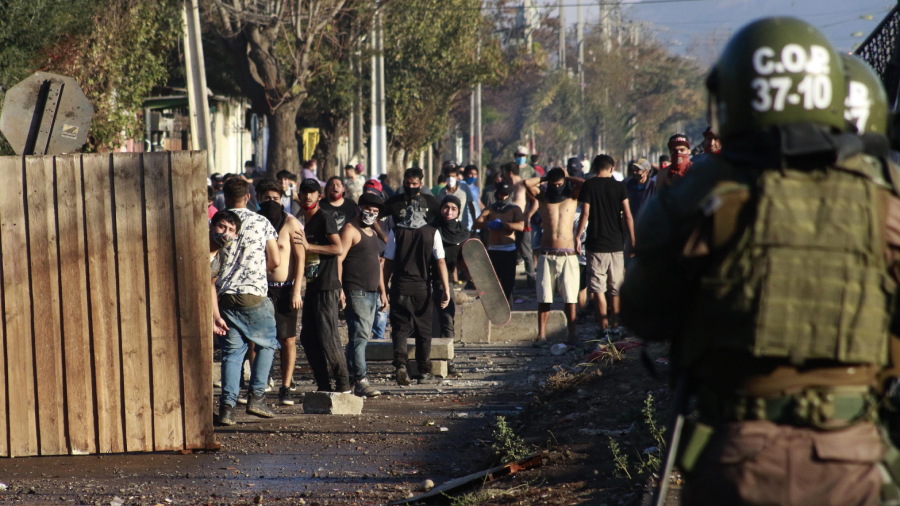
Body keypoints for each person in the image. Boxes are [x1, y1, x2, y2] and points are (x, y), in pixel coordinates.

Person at [622, 18, 900, 505]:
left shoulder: (700, 195)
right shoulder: (884, 200)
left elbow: (644, 314)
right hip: (851, 452)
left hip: (737, 453)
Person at [215, 178, 281, 425]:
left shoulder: (218, 223)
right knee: (267, 344)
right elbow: (275, 261)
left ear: (225, 196)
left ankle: (227, 408)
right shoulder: (261, 222)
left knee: (232, 353)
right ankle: (257, 396)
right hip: (254, 294)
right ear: (248, 196)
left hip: (224, 296)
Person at [383, 194, 451, 386]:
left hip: (399, 287)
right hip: (422, 288)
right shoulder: (432, 232)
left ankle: (401, 365)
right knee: (424, 330)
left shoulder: (396, 231)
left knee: (400, 328)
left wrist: (384, 288)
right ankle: (424, 371)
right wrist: (446, 288)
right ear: (424, 212)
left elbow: (388, 262)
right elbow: (440, 262)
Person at [292, 178, 350, 393]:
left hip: (327, 286)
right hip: (313, 286)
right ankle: (323, 384)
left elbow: (338, 249)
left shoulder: (324, 218)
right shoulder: (305, 221)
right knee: (308, 337)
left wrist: (309, 247)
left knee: (328, 336)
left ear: (319, 196)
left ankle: (343, 384)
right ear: (299, 196)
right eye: (304, 192)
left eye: (312, 192)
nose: (308, 196)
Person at [255, 179, 305, 406]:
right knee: (256, 340)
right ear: (259, 199)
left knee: (288, 340)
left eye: (275, 198)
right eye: (267, 198)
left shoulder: (291, 223)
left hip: (285, 289)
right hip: (260, 289)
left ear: (282, 199)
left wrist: (296, 291)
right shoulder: (254, 222)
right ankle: (260, 384)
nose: (271, 202)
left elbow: (301, 259)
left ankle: (285, 387)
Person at [524, 168, 584, 345]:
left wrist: (567, 177)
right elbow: (527, 183)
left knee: (570, 298)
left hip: (568, 254)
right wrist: (546, 178)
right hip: (547, 253)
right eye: (553, 184)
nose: (556, 187)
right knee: (544, 297)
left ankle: (572, 335)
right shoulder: (543, 197)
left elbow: (585, 184)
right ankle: (541, 335)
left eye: (559, 184)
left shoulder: (572, 197)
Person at [575, 154, 633, 335]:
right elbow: (628, 215)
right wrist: (633, 240)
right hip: (616, 244)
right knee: (615, 288)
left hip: (595, 244)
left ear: (594, 168)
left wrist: (577, 236)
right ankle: (615, 325)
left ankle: (603, 327)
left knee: (598, 288)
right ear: (612, 168)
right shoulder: (619, 186)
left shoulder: (589, 185)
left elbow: (585, 214)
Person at [338, 193, 388, 398]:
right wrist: (339, 288)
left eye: (375, 211)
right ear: (359, 208)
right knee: (359, 337)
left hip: (371, 293)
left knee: (360, 337)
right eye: (368, 209)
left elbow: (377, 264)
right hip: (356, 291)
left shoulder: (373, 233)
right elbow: (338, 260)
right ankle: (361, 379)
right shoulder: (350, 230)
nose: (371, 214)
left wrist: (383, 291)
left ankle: (349, 377)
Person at [473, 181, 525, 302]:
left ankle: (508, 306)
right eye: (501, 194)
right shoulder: (490, 209)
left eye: (506, 194)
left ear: (509, 195)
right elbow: (476, 224)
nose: (503, 197)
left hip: (509, 250)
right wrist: (488, 224)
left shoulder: (515, 209)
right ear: (497, 194)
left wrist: (505, 225)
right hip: (493, 250)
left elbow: (521, 226)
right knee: (492, 282)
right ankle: (493, 305)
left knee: (508, 283)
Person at [503, 162, 537, 289]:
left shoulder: (523, 184)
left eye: (505, 173)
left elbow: (535, 202)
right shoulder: (508, 186)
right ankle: (509, 281)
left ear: (509, 172)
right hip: (509, 224)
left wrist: (528, 215)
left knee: (526, 252)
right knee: (510, 252)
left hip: (522, 223)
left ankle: (531, 281)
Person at [209, 210, 241, 337]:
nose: (225, 233)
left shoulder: (222, 256)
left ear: (235, 235)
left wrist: (216, 317)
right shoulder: (196, 247)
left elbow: (210, 285)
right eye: (222, 227)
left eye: (231, 230)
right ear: (212, 226)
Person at [439, 165, 478, 235]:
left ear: (457, 177)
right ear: (445, 178)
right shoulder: (442, 192)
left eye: (453, 176)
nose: (450, 178)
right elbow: (440, 209)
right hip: (447, 227)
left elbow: (471, 206)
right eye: (448, 176)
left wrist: (475, 223)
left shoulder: (464, 188)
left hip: (462, 225)